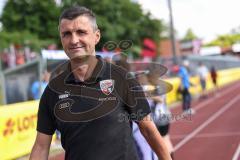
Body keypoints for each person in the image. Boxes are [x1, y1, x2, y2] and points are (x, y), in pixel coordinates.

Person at [30, 6, 171, 160]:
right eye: (67, 34)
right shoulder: (53, 91)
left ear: (96, 36)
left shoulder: (122, 79)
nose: (74, 40)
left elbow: (149, 130)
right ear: (61, 39)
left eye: (81, 32)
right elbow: (41, 146)